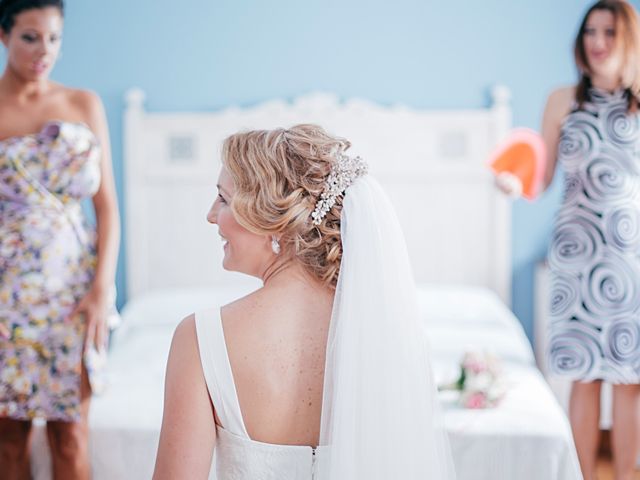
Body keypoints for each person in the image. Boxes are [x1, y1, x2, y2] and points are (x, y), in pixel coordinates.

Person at [153, 124, 456, 479]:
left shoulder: (199, 338)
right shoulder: (384, 332)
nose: (210, 214)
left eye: (223, 198)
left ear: (271, 218)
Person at [497, 1, 640, 479]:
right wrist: (514, 183)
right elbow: (541, 176)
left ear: (627, 39)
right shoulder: (562, 100)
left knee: (629, 381)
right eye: (590, 32)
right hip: (577, 253)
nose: (597, 42)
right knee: (584, 375)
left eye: (609, 32)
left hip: (631, 256)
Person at [0, 0, 120, 478]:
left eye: (54, 38)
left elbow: (107, 207)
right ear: (4, 35)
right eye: (30, 37)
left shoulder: (82, 103)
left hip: (73, 289)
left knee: (70, 434)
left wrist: (99, 290)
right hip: (7, 294)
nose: (43, 51)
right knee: (7, 437)